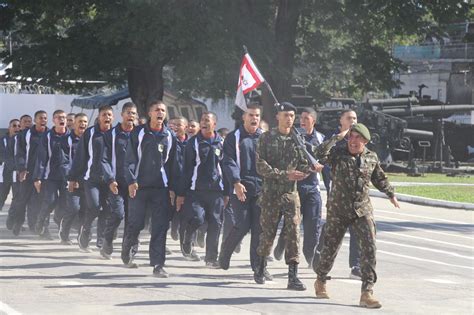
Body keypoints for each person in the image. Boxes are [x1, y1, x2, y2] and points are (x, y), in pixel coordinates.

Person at [314, 123, 400, 309]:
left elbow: (379, 177)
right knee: (330, 249)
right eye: (351, 137)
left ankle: (367, 292)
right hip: (338, 210)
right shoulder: (337, 154)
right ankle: (320, 279)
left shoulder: (371, 157)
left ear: (365, 141)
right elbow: (319, 153)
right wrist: (337, 137)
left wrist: (390, 193)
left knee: (369, 248)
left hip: (362, 210)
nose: (353, 141)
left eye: (358, 138)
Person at [254, 102, 318, 291]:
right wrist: (284, 174)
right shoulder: (266, 138)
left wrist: (305, 171)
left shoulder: (297, 139)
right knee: (268, 233)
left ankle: (293, 276)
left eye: (292, 115)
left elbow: (305, 162)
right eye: (285, 115)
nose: (289, 119)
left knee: (293, 235)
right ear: (277, 117)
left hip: (291, 194)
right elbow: (260, 165)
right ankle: (261, 267)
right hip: (271, 194)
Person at [121, 100, 176, 277]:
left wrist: (175, 189)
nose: (160, 113)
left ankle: (158, 264)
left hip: (161, 188)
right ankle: (128, 251)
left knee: (160, 226)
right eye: (157, 110)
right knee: (136, 223)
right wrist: (131, 181)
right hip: (139, 186)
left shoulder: (169, 135)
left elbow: (174, 165)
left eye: (163, 110)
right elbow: (129, 160)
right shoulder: (138, 134)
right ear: (150, 113)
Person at [218, 104, 272, 280]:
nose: (254, 118)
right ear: (244, 117)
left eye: (257, 115)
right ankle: (225, 252)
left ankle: (258, 268)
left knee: (259, 229)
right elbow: (228, 161)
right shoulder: (234, 138)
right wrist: (236, 182)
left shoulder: (265, 138)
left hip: (261, 189)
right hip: (241, 187)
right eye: (251, 115)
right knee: (242, 224)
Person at [273, 108, 325, 267]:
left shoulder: (321, 139)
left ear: (313, 121)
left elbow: (326, 163)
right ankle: (282, 242)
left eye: (306, 118)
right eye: (300, 118)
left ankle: (311, 257)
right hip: (294, 187)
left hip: (312, 189)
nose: (302, 121)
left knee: (312, 226)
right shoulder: (293, 138)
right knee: (292, 222)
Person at [315, 109, 362, 279]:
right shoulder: (334, 140)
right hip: (337, 195)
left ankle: (356, 265)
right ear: (341, 121)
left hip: (356, 196)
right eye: (349, 118)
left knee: (357, 229)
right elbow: (322, 156)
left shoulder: (361, 141)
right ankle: (319, 253)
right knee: (332, 231)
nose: (353, 121)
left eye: (355, 118)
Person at [176, 112, 226, 268]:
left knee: (215, 224)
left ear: (214, 124)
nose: (204, 123)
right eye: (202, 120)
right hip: (196, 190)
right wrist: (181, 193)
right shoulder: (193, 143)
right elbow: (186, 169)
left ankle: (211, 258)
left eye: (207, 121)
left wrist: (228, 191)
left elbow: (227, 167)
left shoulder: (222, 143)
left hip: (216, 191)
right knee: (197, 218)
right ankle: (187, 237)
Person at [68, 105, 114, 252]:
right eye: (104, 115)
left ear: (113, 117)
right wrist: (73, 177)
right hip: (91, 178)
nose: (107, 117)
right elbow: (80, 156)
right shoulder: (90, 133)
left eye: (109, 115)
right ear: (99, 117)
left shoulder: (115, 134)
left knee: (107, 210)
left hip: (110, 180)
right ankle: (86, 231)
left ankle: (101, 241)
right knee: (94, 207)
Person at [100, 102, 137, 259]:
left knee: (133, 218)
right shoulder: (111, 135)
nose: (131, 116)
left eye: (133, 113)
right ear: (121, 115)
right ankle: (107, 240)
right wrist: (110, 179)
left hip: (135, 184)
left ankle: (128, 249)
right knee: (118, 213)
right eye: (128, 112)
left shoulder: (140, 134)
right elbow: (104, 159)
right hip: (116, 183)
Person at [33, 110, 71, 239]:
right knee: (49, 201)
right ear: (54, 120)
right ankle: (42, 224)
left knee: (66, 203)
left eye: (64, 117)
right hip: (50, 176)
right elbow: (41, 158)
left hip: (67, 177)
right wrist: (37, 177)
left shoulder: (71, 136)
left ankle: (61, 227)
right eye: (59, 117)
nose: (62, 119)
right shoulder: (47, 136)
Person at [9, 110, 48, 235]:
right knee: (22, 200)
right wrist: (21, 169)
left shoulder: (49, 134)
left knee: (41, 202)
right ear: (35, 121)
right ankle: (18, 222)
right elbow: (19, 153)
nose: (43, 120)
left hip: (43, 174)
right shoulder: (25, 134)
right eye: (40, 118)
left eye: (45, 118)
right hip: (27, 173)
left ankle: (40, 228)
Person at [59, 113, 89, 244]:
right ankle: (64, 232)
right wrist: (71, 178)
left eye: (85, 122)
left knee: (85, 210)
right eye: (80, 121)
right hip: (72, 180)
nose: (83, 124)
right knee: (74, 208)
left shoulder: (91, 139)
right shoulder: (66, 140)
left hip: (88, 181)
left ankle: (82, 238)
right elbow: (64, 162)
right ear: (74, 124)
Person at [0, 119, 21, 211]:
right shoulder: (2, 140)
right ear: (9, 128)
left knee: (18, 198)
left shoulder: (22, 140)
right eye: (14, 126)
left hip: (18, 175)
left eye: (19, 126)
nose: (17, 128)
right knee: (1, 196)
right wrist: (14, 165)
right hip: (5, 174)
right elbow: (3, 155)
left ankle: (14, 223)